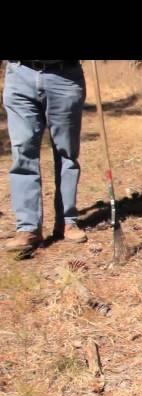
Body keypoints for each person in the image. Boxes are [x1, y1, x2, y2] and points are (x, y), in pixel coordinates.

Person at [3, 60, 88, 252]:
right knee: (22, 151)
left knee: (66, 152)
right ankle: (28, 228)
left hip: (64, 76)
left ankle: (66, 221)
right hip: (20, 74)